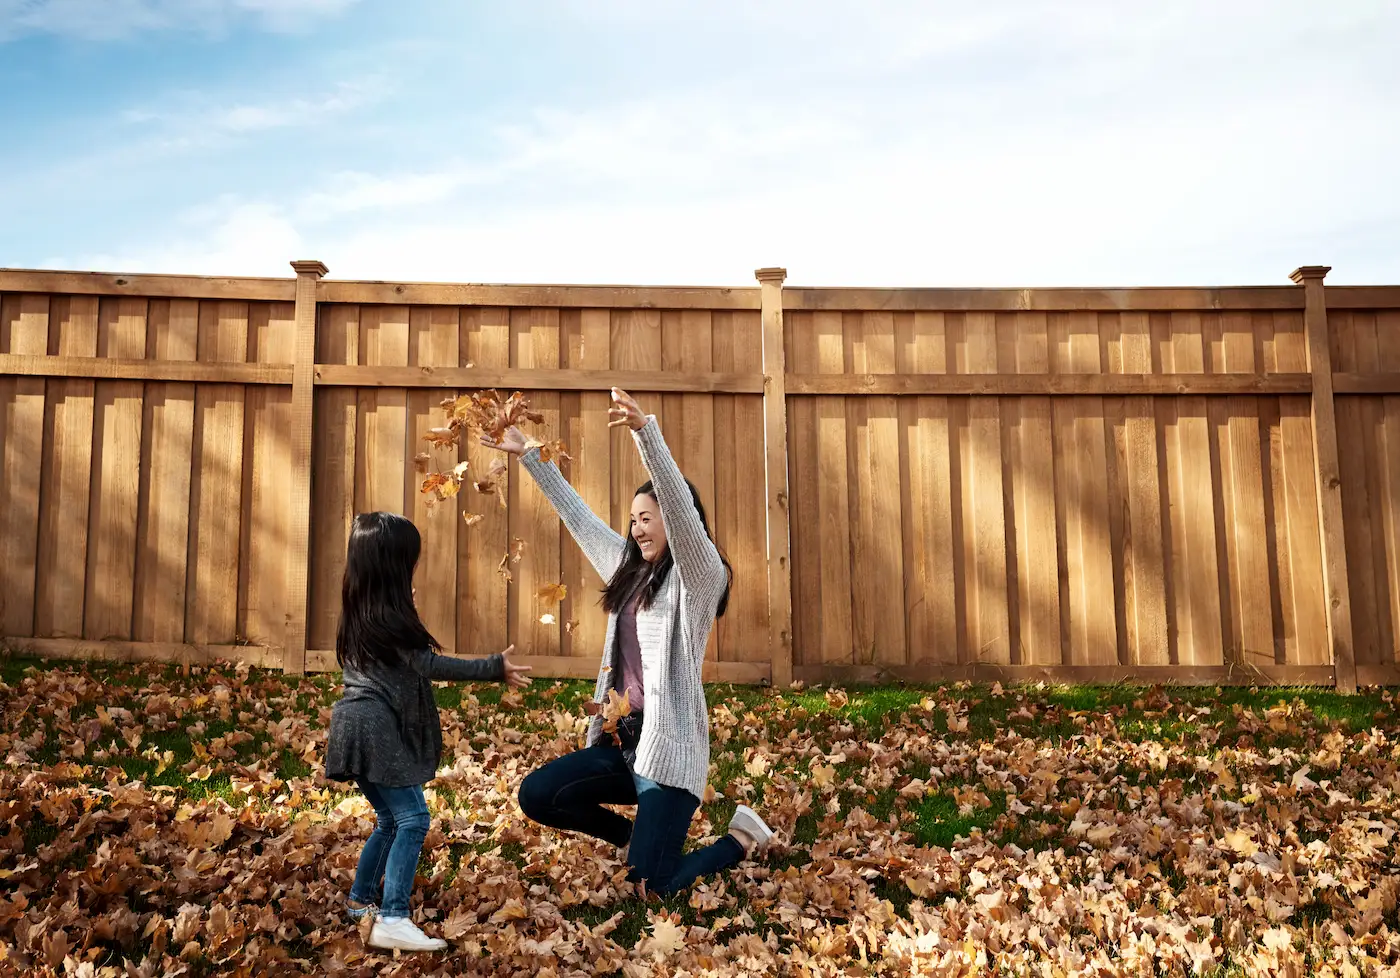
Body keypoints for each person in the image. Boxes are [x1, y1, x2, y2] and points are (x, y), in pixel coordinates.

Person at [483, 388, 774, 897]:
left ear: (674, 522)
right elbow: (579, 518)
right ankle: (635, 840)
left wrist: (646, 434)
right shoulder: (629, 571)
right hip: (624, 749)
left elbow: (683, 516)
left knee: (651, 888)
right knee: (537, 794)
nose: (638, 529)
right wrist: (529, 454)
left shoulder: (700, 579)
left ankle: (740, 839)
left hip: (669, 757)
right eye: (634, 519)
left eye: (648, 518)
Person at [324, 512, 532, 953]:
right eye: (410, 561)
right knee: (414, 818)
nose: (414, 568)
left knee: (389, 818)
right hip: (375, 727)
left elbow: (398, 661)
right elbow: (428, 664)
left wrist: (405, 611)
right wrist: (493, 667)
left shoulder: (362, 610)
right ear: (394, 568)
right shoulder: (388, 619)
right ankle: (393, 918)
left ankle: (361, 902)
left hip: (352, 725)